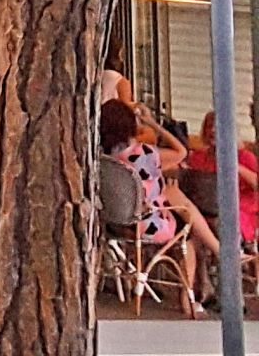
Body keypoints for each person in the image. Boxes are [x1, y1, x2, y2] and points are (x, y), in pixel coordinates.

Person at [101, 96, 219, 309]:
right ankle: (187, 299)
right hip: (146, 225)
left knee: (171, 193)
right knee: (187, 233)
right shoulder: (145, 154)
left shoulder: (102, 158)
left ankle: (218, 252)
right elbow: (181, 152)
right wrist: (152, 123)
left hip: (114, 224)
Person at [186, 112, 259, 249]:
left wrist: (237, 167)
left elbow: (256, 184)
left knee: (220, 223)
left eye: (218, 126)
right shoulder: (198, 157)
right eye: (209, 126)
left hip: (237, 210)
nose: (213, 130)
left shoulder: (245, 157)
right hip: (205, 210)